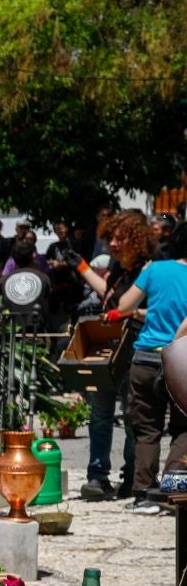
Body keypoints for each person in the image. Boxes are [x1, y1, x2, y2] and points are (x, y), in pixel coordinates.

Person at [97, 219, 187, 511]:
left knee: (146, 429)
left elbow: (123, 306)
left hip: (145, 358)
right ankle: (174, 493)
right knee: (183, 429)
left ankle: (145, 494)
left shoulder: (154, 269)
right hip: (180, 360)